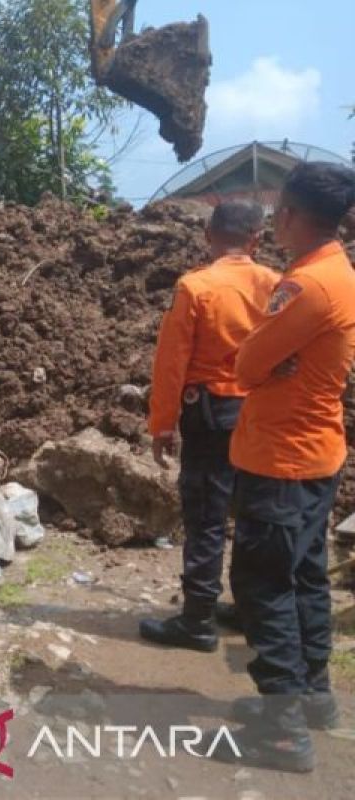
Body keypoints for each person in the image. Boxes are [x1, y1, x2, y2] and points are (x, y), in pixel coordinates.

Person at [215, 162, 355, 773]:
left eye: (278, 211)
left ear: (293, 215)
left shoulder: (307, 287)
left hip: (281, 460)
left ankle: (282, 731)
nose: (273, 220)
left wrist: (265, 361)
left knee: (263, 585)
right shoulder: (337, 272)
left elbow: (245, 366)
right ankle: (312, 698)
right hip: (313, 454)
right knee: (302, 577)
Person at [139, 201, 278, 652]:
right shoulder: (278, 286)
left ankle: (197, 619)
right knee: (255, 514)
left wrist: (162, 424)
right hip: (261, 412)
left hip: (211, 415)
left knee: (206, 516)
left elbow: (171, 361)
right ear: (257, 238)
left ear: (208, 235)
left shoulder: (196, 287)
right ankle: (248, 608)